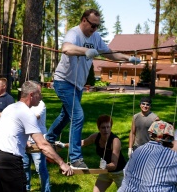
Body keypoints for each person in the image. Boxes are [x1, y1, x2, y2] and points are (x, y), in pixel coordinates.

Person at [45, 9, 138, 169]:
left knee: (66, 116)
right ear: (84, 21)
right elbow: (66, 48)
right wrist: (85, 50)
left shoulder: (95, 37)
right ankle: (75, 159)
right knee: (78, 116)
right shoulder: (74, 33)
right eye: (92, 25)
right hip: (63, 81)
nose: (94, 29)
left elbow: (109, 53)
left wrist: (128, 58)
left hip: (77, 85)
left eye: (97, 26)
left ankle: (50, 138)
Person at [0, 80, 73, 192]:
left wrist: (23, 142)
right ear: (31, 95)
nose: (41, 97)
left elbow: (10, 132)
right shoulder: (27, 113)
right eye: (39, 94)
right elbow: (42, 144)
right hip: (9, 163)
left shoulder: (11, 108)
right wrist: (62, 163)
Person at [78, 115, 126, 191]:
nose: (106, 130)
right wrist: (64, 145)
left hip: (119, 173)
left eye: (108, 127)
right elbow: (82, 143)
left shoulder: (115, 141)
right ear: (98, 128)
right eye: (103, 127)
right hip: (106, 172)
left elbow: (114, 165)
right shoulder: (95, 137)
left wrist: (105, 166)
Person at [23, 98, 51, 192]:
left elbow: (35, 117)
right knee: (25, 167)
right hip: (25, 140)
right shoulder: (23, 105)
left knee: (40, 168)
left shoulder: (41, 104)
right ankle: (26, 189)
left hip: (38, 140)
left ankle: (46, 190)